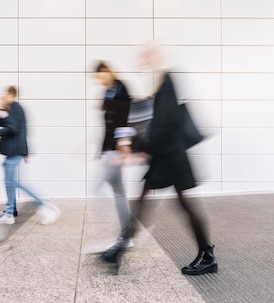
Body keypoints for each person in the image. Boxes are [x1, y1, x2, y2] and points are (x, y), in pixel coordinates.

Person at [105, 42, 217, 276]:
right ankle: (119, 249)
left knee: (179, 204)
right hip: (166, 156)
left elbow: (166, 123)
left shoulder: (167, 80)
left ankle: (207, 255)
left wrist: (141, 150)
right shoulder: (160, 83)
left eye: (145, 56)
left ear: (155, 57)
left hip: (171, 157)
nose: (141, 61)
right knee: (147, 202)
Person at [0, 86, 61, 225]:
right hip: (12, 151)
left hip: (14, 151)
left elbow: (13, 128)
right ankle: (10, 212)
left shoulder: (15, 107)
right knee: (9, 183)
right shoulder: (10, 109)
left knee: (14, 182)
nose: (3, 97)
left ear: (11, 94)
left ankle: (44, 205)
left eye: (5, 95)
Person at [93, 61, 135, 249]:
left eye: (102, 76)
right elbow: (109, 124)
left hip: (117, 149)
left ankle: (126, 235)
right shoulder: (109, 91)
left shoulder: (121, 88)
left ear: (109, 71)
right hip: (110, 148)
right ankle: (127, 234)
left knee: (101, 187)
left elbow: (125, 118)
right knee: (118, 192)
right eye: (98, 78)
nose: (101, 80)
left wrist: (124, 145)